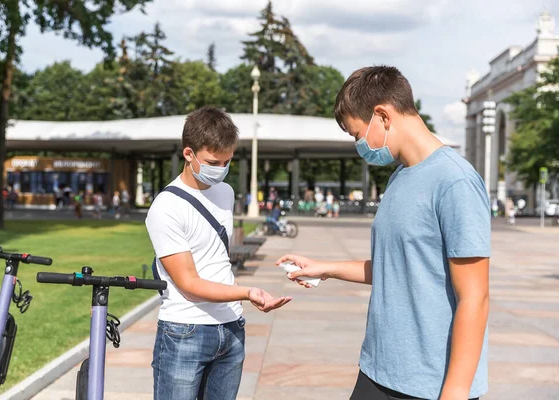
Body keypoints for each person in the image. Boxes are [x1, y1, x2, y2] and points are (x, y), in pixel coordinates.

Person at [278, 66, 490, 400]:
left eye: (357, 134)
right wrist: (324, 268)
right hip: (379, 369)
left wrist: (456, 391)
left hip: (429, 385)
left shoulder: (455, 182)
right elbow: (396, 267)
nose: (358, 145)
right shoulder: (400, 178)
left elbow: (475, 298)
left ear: (383, 116)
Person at [145, 106, 291, 400]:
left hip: (231, 327)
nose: (221, 168)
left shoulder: (225, 192)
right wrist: (248, 292)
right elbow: (189, 284)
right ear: (189, 154)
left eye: (227, 161)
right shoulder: (166, 207)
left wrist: (239, 294)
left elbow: (215, 259)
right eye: (213, 161)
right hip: (186, 330)